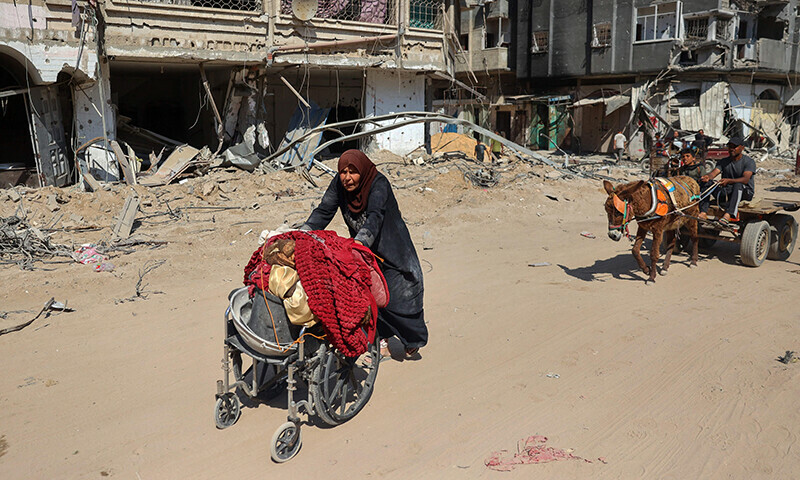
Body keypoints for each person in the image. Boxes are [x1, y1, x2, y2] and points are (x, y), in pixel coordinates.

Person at [301, 149, 428, 358]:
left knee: (400, 297)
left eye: (353, 172)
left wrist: (359, 242)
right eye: (343, 172)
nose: (347, 178)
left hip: (393, 248)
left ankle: (413, 339)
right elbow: (324, 211)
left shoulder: (379, 184)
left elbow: (375, 217)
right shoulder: (339, 185)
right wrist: (302, 232)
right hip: (366, 251)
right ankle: (382, 339)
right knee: (371, 295)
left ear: (363, 170)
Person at [698, 136, 756, 227]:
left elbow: (745, 179)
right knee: (706, 183)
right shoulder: (723, 161)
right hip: (727, 191)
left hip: (744, 191)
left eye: (734, 146)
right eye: (730, 146)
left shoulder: (749, 162)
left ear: (742, 147)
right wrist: (707, 177)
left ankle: (728, 215)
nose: (731, 149)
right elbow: (713, 174)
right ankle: (703, 212)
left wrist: (729, 181)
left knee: (738, 185)